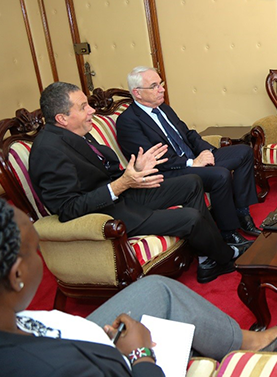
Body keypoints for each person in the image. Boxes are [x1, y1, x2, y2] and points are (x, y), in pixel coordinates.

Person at [0, 192, 277, 376]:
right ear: (16, 275)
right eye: (34, 250)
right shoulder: (58, 369)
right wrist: (140, 355)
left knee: (157, 289)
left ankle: (229, 345)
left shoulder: (3, 324)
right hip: (92, 354)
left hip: (74, 336)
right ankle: (240, 348)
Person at [28, 82, 246, 283]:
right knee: (190, 218)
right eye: (83, 107)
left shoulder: (76, 132)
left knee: (191, 182)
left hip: (121, 194)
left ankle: (207, 256)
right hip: (105, 213)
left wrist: (136, 171)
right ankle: (226, 257)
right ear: (62, 118)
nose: (91, 110)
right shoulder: (49, 150)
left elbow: (103, 171)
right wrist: (122, 184)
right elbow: (67, 209)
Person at [117, 67, 261, 251]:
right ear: (137, 93)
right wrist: (193, 163)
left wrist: (206, 151)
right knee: (220, 175)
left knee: (243, 152)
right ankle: (228, 234)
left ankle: (242, 212)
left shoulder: (163, 109)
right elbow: (153, 159)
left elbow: (188, 134)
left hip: (194, 159)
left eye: (161, 84)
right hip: (172, 172)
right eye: (154, 86)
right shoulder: (128, 121)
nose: (161, 89)